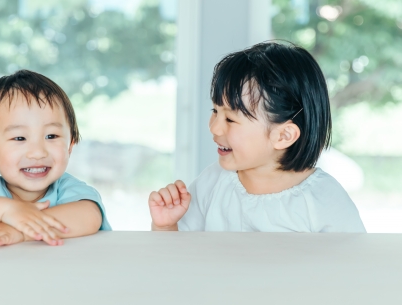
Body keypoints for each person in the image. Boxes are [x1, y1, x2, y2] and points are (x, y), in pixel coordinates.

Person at [149, 41, 366, 233]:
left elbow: (354, 269)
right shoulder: (212, 183)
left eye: (231, 119)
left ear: (283, 135)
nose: (215, 128)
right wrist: (166, 226)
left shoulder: (325, 200)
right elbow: (178, 262)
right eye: (215, 111)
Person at [0, 70, 111, 249]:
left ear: (70, 144)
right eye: (19, 138)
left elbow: (89, 216)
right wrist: (6, 210)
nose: (37, 152)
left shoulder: (67, 189)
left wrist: (19, 231)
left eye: (51, 136)